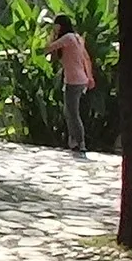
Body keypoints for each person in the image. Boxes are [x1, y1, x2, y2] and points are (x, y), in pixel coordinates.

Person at [44, 14, 96, 155]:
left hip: (73, 81)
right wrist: (90, 77)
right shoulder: (78, 38)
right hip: (80, 79)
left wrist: (52, 35)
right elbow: (86, 59)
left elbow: (47, 48)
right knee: (70, 112)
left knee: (72, 113)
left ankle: (80, 142)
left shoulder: (67, 38)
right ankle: (73, 141)